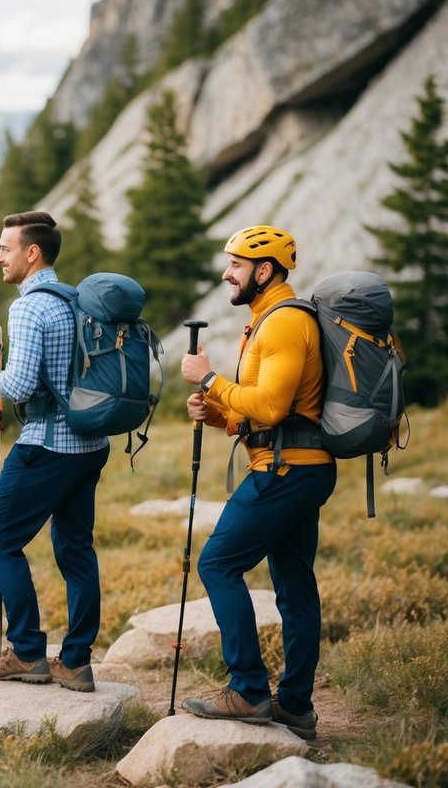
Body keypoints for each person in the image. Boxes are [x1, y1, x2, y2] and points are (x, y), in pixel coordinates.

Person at [178, 225, 336, 739]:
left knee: (217, 562)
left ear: (264, 271)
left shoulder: (285, 324)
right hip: (296, 465)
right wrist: (217, 411)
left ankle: (247, 690)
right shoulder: (267, 320)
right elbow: (262, 409)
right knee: (293, 586)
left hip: (286, 471)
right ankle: (294, 705)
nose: (227, 273)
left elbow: (272, 406)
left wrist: (207, 379)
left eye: (236, 265)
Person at [0, 211, 110, 693]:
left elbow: (23, 383)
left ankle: (26, 650)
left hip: (48, 444)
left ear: (32, 253)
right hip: (91, 443)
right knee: (76, 550)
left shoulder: (28, 307)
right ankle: (76, 661)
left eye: (5, 248)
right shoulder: (76, 300)